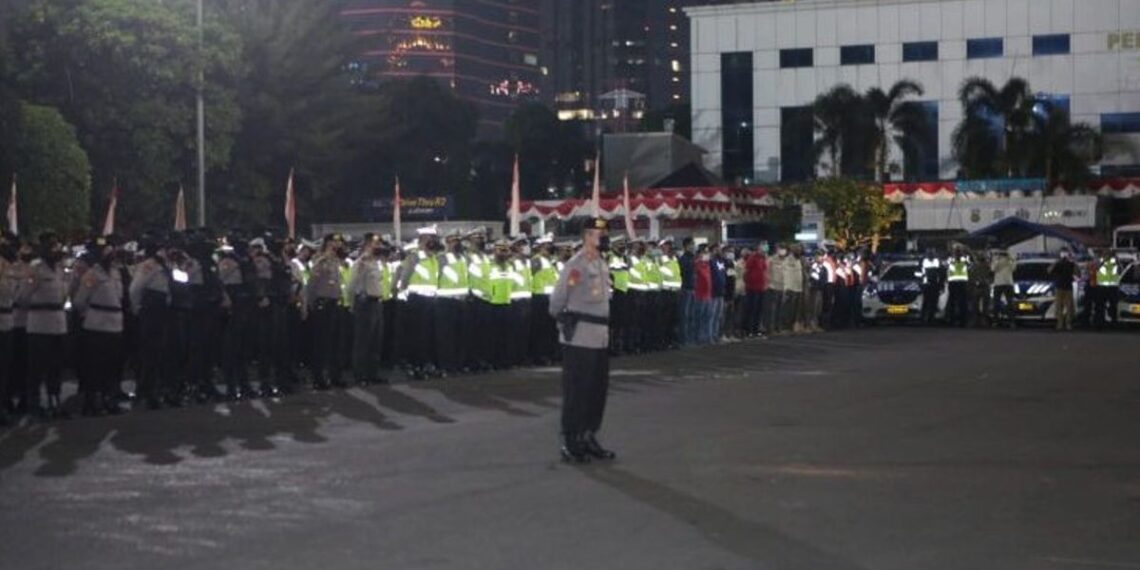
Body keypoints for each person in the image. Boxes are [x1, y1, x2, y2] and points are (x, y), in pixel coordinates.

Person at [550, 217, 614, 464]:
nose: (605, 237)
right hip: (579, 338)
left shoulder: (600, 263)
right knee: (577, 392)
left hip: (599, 339)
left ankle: (588, 436)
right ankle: (571, 440)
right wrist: (563, 320)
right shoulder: (576, 265)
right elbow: (558, 299)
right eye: (600, 233)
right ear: (588, 236)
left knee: (596, 392)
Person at [72, 236, 127, 416]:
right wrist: (89, 314)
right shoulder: (92, 274)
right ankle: (91, 402)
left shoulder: (115, 272)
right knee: (94, 366)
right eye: (104, 251)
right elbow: (80, 301)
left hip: (115, 324)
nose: (108, 254)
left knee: (111, 366)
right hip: (97, 324)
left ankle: (108, 399)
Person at [21, 232, 70, 419]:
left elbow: (65, 295)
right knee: (36, 367)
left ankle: (54, 399)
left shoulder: (59, 270)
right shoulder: (36, 270)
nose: (56, 250)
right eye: (53, 247)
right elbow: (23, 297)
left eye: (57, 246)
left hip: (58, 323)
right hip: (39, 324)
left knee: (55, 366)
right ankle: (34, 403)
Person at [1048, 249, 1077, 331]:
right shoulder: (1058, 264)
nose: (1064, 256)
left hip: (1068, 288)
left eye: (1066, 254)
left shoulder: (1071, 264)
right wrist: (1056, 262)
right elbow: (1049, 270)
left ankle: (1068, 324)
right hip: (1059, 287)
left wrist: (1073, 262)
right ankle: (1060, 324)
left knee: (1069, 307)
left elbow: (1077, 273)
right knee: (1059, 307)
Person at [743, 245, 767, 337]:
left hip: (760, 287)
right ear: (758, 249)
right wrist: (748, 283)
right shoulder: (752, 258)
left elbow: (764, 270)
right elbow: (746, 271)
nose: (763, 251)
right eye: (762, 249)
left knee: (759, 310)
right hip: (752, 288)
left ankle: (756, 329)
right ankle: (749, 330)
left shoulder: (762, 259)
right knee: (752, 309)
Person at [1093, 250, 1121, 329]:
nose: (1108, 255)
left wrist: (1116, 259)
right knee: (1100, 307)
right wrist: (1104, 260)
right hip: (1102, 287)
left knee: (1113, 307)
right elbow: (1096, 268)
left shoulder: (1115, 261)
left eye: (1109, 254)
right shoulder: (1100, 260)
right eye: (1106, 253)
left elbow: (1120, 269)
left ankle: (1113, 324)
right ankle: (1099, 324)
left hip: (1113, 287)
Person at [945, 247, 970, 327]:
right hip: (954, 283)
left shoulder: (965, 259)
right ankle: (952, 320)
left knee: (962, 303)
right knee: (953, 303)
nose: (957, 253)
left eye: (958, 252)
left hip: (961, 283)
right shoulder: (950, 260)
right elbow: (946, 266)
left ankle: (962, 321)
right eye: (956, 252)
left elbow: (970, 265)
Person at [990, 250, 1015, 328]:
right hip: (998, 283)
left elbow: (1013, 268)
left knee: (1010, 303)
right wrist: (997, 258)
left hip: (1008, 283)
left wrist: (1009, 258)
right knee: (996, 303)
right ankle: (996, 321)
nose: (1003, 255)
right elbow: (993, 269)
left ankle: (1011, 321)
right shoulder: (996, 259)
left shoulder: (1010, 260)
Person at [920, 248, 943, 325]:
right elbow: (919, 273)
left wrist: (940, 284)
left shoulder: (937, 262)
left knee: (932, 303)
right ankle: (924, 318)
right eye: (929, 254)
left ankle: (930, 318)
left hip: (934, 285)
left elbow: (941, 274)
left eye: (932, 254)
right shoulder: (924, 262)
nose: (930, 255)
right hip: (927, 285)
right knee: (926, 303)